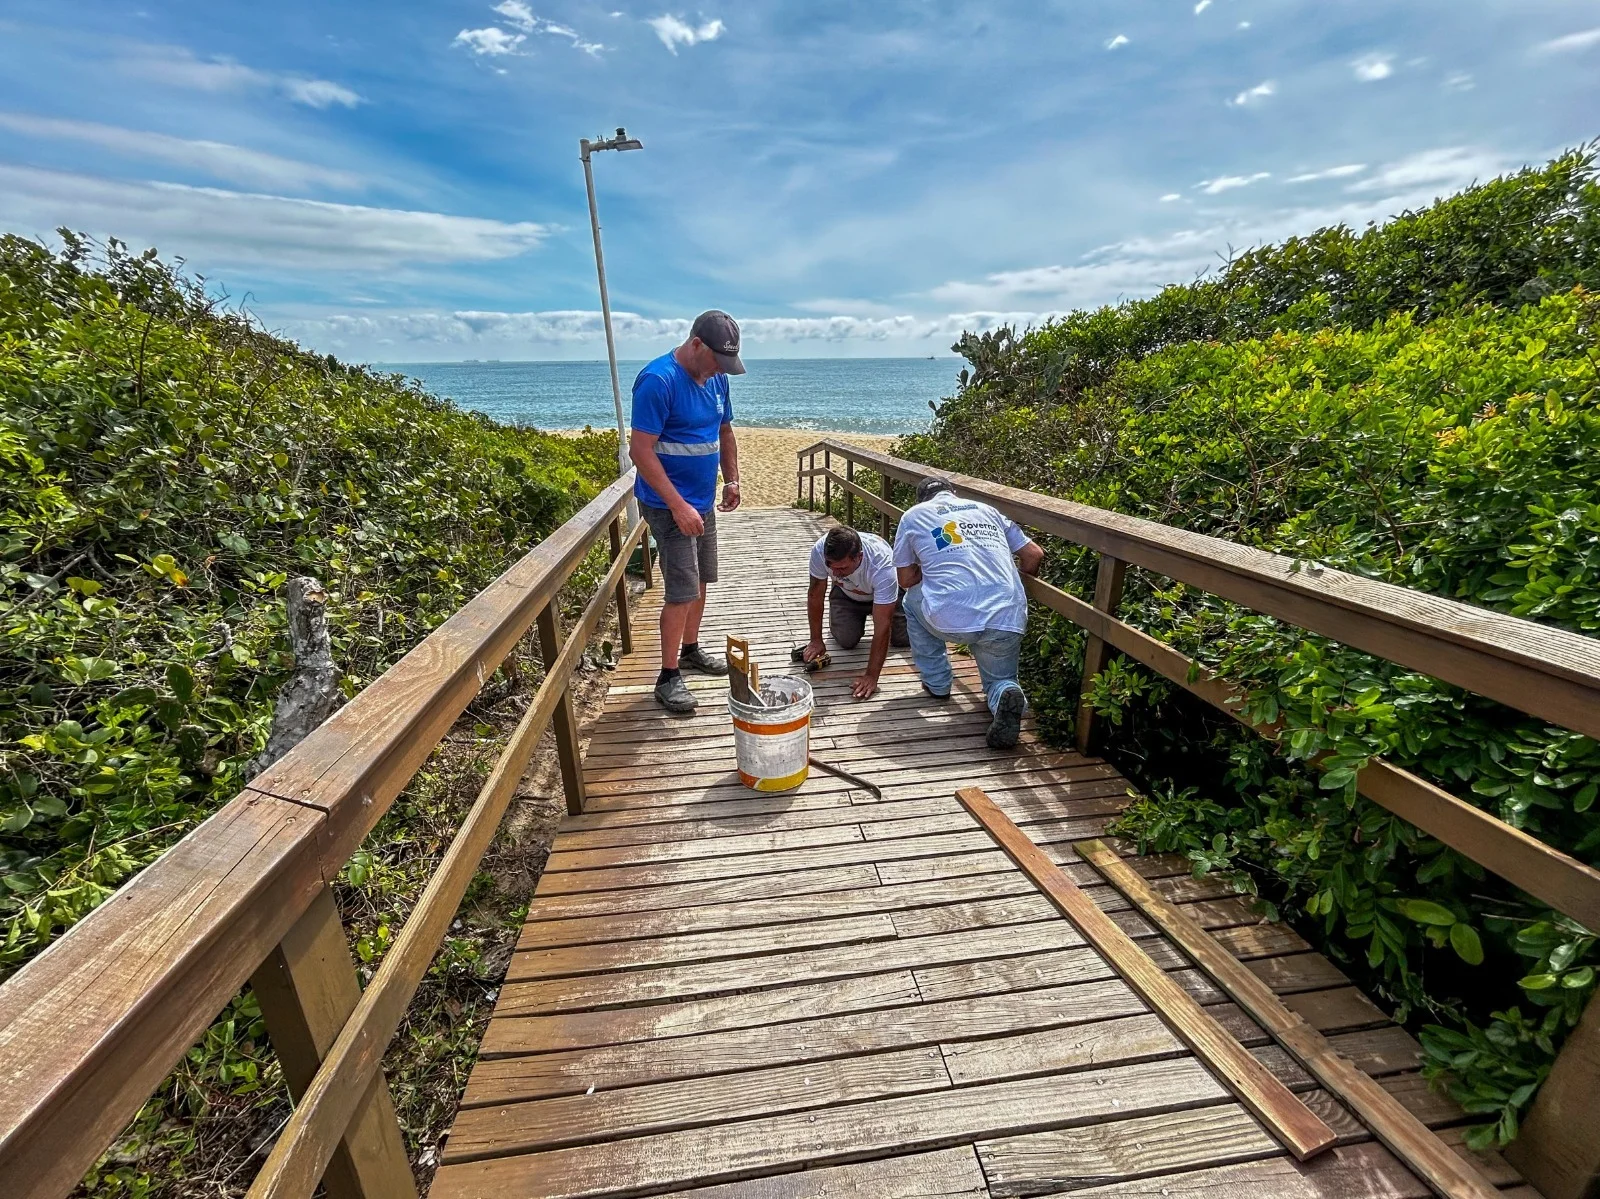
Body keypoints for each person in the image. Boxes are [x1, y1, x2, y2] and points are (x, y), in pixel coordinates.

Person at [629, 310, 745, 712]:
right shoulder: (658, 381)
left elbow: (724, 432)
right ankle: (668, 675)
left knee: (702, 580)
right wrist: (677, 506)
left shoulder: (717, 379)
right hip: (667, 504)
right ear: (696, 344)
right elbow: (640, 451)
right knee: (680, 591)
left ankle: (691, 649)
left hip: (701, 500)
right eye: (717, 360)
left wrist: (731, 480)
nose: (719, 370)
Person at [893, 477, 1045, 748]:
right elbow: (1033, 554)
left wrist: (928, 568)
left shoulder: (913, 516)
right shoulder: (987, 510)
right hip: (1006, 616)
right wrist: (1015, 588)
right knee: (1001, 678)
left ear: (922, 500)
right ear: (954, 493)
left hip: (951, 619)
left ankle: (938, 683)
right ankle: (1005, 693)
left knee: (911, 602)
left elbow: (904, 580)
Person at [801, 525, 910, 699]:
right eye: (830, 566)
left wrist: (871, 676)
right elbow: (815, 594)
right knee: (846, 639)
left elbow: (882, 625)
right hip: (847, 594)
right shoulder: (819, 551)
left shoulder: (882, 564)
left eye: (842, 568)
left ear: (859, 557)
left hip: (883, 597)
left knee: (902, 639)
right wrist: (815, 640)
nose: (835, 572)